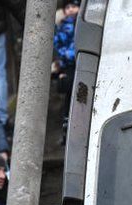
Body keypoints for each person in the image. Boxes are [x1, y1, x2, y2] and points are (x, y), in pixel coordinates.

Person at [54, 0, 80, 143]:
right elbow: (58, 43)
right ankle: (67, 128)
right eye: (67, 7)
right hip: (68, 66)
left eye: (73, 6)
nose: (70, 10)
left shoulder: (80, 24)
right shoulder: (63, 26)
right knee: (69, 97)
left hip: (78, 63)